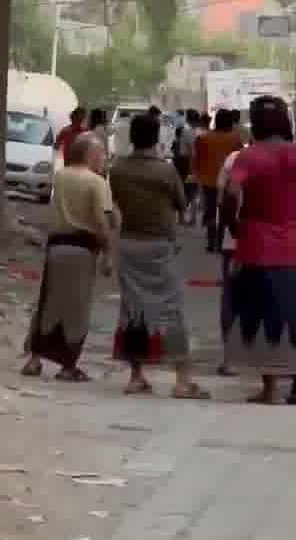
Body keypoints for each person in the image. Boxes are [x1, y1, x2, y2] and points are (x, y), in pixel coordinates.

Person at [110, 113, 209, 399]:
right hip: (159, 247)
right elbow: (182, 204)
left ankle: (136, 376)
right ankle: (182, 379)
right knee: (171, 310)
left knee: (133, 309)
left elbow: (113, 203)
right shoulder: (165, 172)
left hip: (129, 243)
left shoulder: (118, 169)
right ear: (156, 138)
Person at [222, 95, 296, 405]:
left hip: (256, 245)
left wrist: (233, 224)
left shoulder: (248, 157)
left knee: (263, 314)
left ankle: (270, 388)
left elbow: (231, 192)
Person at [22, 133, 113, 383]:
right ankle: (68, 366)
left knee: (47, 304)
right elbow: (102, 222)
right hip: (83, 249)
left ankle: (34, 359)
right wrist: (108, 253)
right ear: (91, 155)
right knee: (77, 309)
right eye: (102, 153)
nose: (104, 158)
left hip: (57, 247)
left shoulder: (60, 176)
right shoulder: (97, 183)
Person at [194, 108, 243, 253]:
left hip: (208, 181)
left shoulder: (203, 138)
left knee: (210, 210)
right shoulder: (235, 139)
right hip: (228, 182)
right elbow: (239, 160)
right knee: (226, 213)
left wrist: (198, 177)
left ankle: (211, 242)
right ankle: (222, 242)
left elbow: (198, 161)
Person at [216, 138, 245, 377]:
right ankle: (278, 364)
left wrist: (234, 232)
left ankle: (231, 359)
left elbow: (225, 197)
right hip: (280, 246)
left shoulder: (235, 159)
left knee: (233, 299)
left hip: (235, 244)